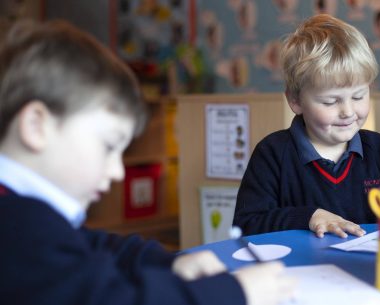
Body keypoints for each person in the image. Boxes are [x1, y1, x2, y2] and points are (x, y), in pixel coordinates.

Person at [0, 20, 294, 305]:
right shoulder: (19, 226)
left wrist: (170, 263)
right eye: (108, 146)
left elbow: (91, 246)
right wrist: (232, 293)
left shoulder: (26, 213)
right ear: (37, 126)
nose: (117, 171)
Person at [233, 14, 380, 238]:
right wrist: (308, 217)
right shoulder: (272, 154)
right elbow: (246, 225)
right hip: (295, 271)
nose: (348, 112)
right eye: (331, 101)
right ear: (295, 100)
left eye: (359, 96)